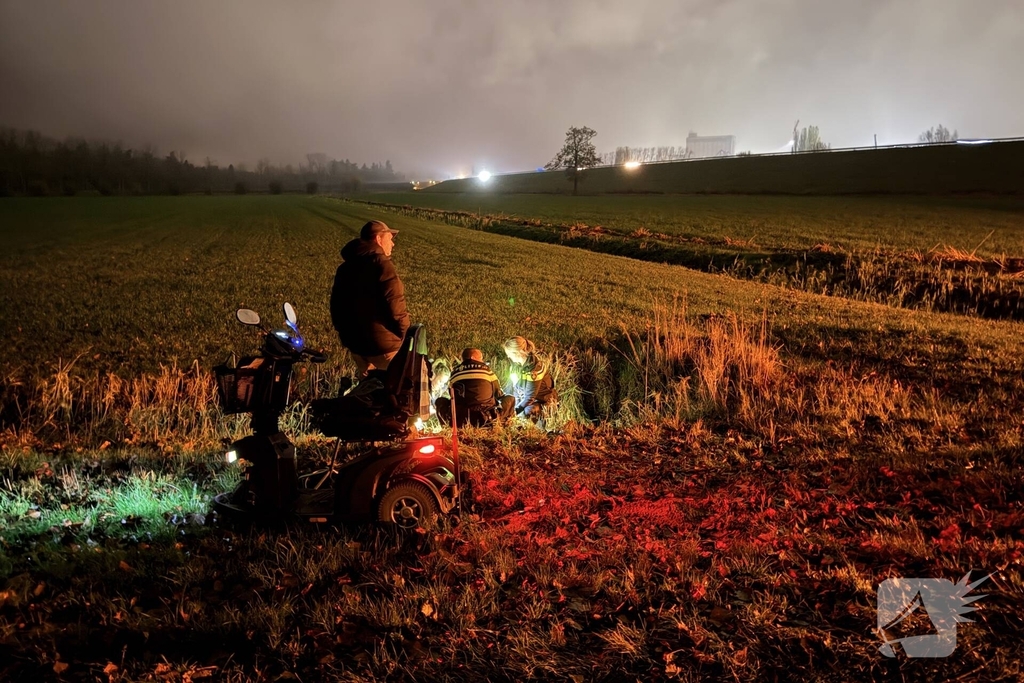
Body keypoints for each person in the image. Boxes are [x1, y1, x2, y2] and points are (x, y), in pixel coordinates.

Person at [330, 220, 410, 377]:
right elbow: (396, 307)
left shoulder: (345, 268)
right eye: (390, 239)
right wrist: (407, 336)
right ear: (378, 239)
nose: (393, 244)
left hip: (357, 346)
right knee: (404, 385)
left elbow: (336, 308)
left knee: (370, 388)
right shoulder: (382, 265)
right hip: (384, 347)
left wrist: (347, 339)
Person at [435, 348, 515, 428]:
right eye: (481, 358)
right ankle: (503, 425)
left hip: (460, 419)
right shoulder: (487, 371)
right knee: (510, 399)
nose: (482, 361)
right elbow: (499, 394)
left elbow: (452, 395)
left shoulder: (454, 373)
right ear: (472, 357)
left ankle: (446, 427)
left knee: (440, 401)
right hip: (487, 418)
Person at [502, 336, 557, 424]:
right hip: (526, 399)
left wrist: (514, 412)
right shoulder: (515, 367)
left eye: (509, 353)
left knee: (528, 411)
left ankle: (539, 429)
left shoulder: (535, 369)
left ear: (517, 353)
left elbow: (530, 398)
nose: (508, 356)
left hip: (542, 401)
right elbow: (515, 389)